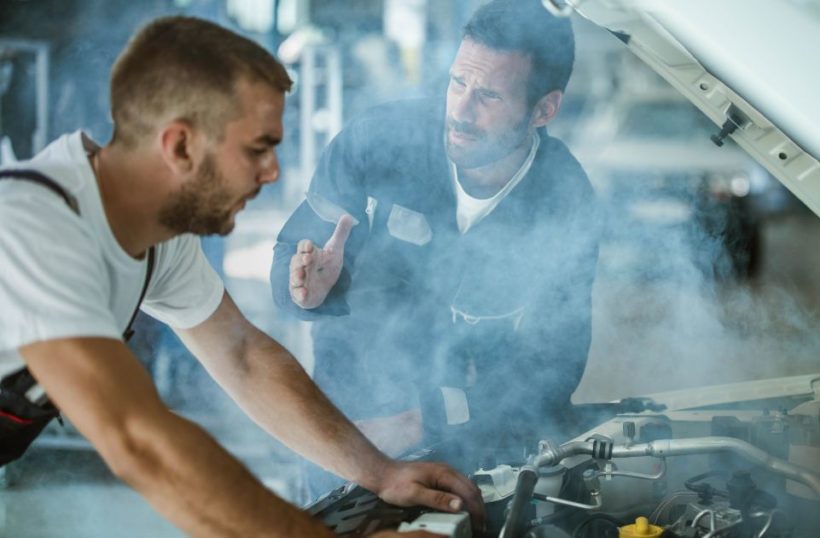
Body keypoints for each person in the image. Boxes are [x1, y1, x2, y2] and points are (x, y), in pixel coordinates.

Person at [0, 16, 482, 537]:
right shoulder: (31, 228)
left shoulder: (159, 237)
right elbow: (138, 443)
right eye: (258, 148)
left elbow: (243, 357)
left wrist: (380, 472)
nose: (273, 171)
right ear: (180, 146)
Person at [271, 0, 600, 496]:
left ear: (544, 109)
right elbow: (287, 265)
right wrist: (305, 292)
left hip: (475, 447)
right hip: (350, 431)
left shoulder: (564, 200)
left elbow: (555, 364)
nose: (461, 112)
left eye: (488, 95)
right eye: (457, 83)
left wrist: (426, 421)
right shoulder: (379, 141)